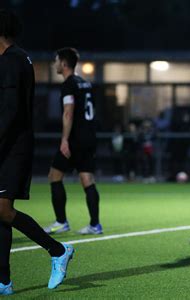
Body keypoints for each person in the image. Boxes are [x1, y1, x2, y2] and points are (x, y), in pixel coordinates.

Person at [0, 10, 74, 295]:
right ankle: (4, 281)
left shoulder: (11, 61)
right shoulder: (18, 57)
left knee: (4, 210)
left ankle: (57, 251)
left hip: (11, 146)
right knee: (1, 212)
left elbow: (10, 112)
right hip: (12, 143)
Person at [43, 47, 102, 235]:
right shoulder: (85, 83)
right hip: (89, 137)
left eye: (56, 60)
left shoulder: (69, 84)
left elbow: (68, 112)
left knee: (54, 175)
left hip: (75, 139)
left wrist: (64, 140)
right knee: (87, 178)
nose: (54, 64)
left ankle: (61, 222)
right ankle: (95, 224)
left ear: (64, 63)